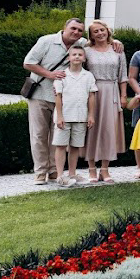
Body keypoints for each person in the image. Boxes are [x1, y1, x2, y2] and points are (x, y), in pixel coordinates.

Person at [21, 17, 87, 185]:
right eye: (73, 28)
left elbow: (101, 40)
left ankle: (52, 171)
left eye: (80, 30)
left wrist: (115, 41)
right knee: (38, 135)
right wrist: (49, 74)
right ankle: (40, 172)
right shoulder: (46, 41)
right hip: (39, 95)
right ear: (64, 27)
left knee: (57, 136)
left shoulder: (82, 44)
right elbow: (28, 63)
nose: (76, 32)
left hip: (62, 99)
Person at [82, 20, 127, 183]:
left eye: (102, 30)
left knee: (109, 130)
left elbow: (123, 75)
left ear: (107, 31)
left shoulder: (117, 50)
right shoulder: (86, 50)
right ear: (91, 35)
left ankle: (105, 169)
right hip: (92, 91)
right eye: (96, 31)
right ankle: (92, 169)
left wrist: (123, 95)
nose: (100, 33)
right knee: (91, 130)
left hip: (111, 91)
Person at [51, 45, 96, 187]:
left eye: (80, 54)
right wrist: (59, 116)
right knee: (61, 145)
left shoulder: (88, 76)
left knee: (75, 146)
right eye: (74, 54)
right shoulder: (62, 75)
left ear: (84, 58)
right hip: (64, 116)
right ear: (69, 58)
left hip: (80, 117)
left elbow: (91, 96)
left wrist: (91, 115)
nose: (77, 57)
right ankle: (59, 176)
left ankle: (72, 173)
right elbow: (58, 97)